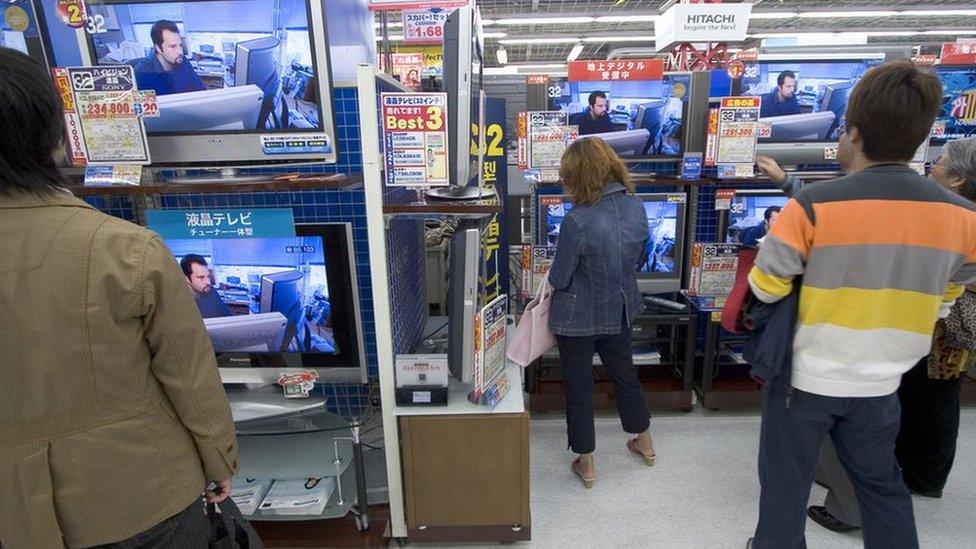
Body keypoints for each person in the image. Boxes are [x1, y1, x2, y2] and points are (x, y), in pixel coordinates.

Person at [0, 48, 238, 548]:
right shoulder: (126, 249)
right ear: (58, 134)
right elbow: (189, 377)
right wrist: (219, 461)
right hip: (140, 496)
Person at [747, 60, 976, 549]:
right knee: (883, 490)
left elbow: (765, 287)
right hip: (883, 382)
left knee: (784, 494)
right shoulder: (964, 218)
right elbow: (953, 288)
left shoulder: (811, 207)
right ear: (920, 135)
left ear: (852, 131)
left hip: (804, 379)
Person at [799, 137, 976, 533]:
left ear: (960, 180)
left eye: (942, 163)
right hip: (914, 333)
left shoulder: (951, 216)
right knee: (905, 410)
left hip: (913, 334)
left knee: (893, 413)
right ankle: (905, 482)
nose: (933, 167)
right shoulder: (946, 212)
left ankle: (868, 498)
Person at [547, 137, 655, 489]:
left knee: (579, 387)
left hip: (576, 318)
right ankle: (645, 442)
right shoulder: (636, 207)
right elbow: (639, 260)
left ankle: (587, 463)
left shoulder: (576, 220)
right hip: (619, 309)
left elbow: (560, 278)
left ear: (577, 176)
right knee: (625, 375)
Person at [134, 19, 207, 96]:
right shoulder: (142, 73)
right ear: (158, 48)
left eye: (180, 45)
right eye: (173, 46)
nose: (180, 52)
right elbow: (146, 107)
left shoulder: (183, 61)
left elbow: (201, 91)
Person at [181, 254, 233, 318]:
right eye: (201, 277)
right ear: (186, 279)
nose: (208, 282)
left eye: (208, 276)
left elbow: (228, 317)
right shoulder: (180, 302)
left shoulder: (211, 292)